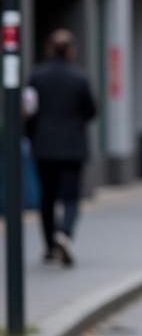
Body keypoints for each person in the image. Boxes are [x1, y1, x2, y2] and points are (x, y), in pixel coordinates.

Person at [24, 29, 97, 266]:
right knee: (71, 196)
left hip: (44, 146)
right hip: (73, 146)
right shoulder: (80, 77)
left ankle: (49, 246)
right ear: (72, 50)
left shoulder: (37, 76)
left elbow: (29, 109)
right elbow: (91, 111)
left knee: (47, 197)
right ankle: (64, 233)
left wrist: (32, 134)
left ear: (49, 49)